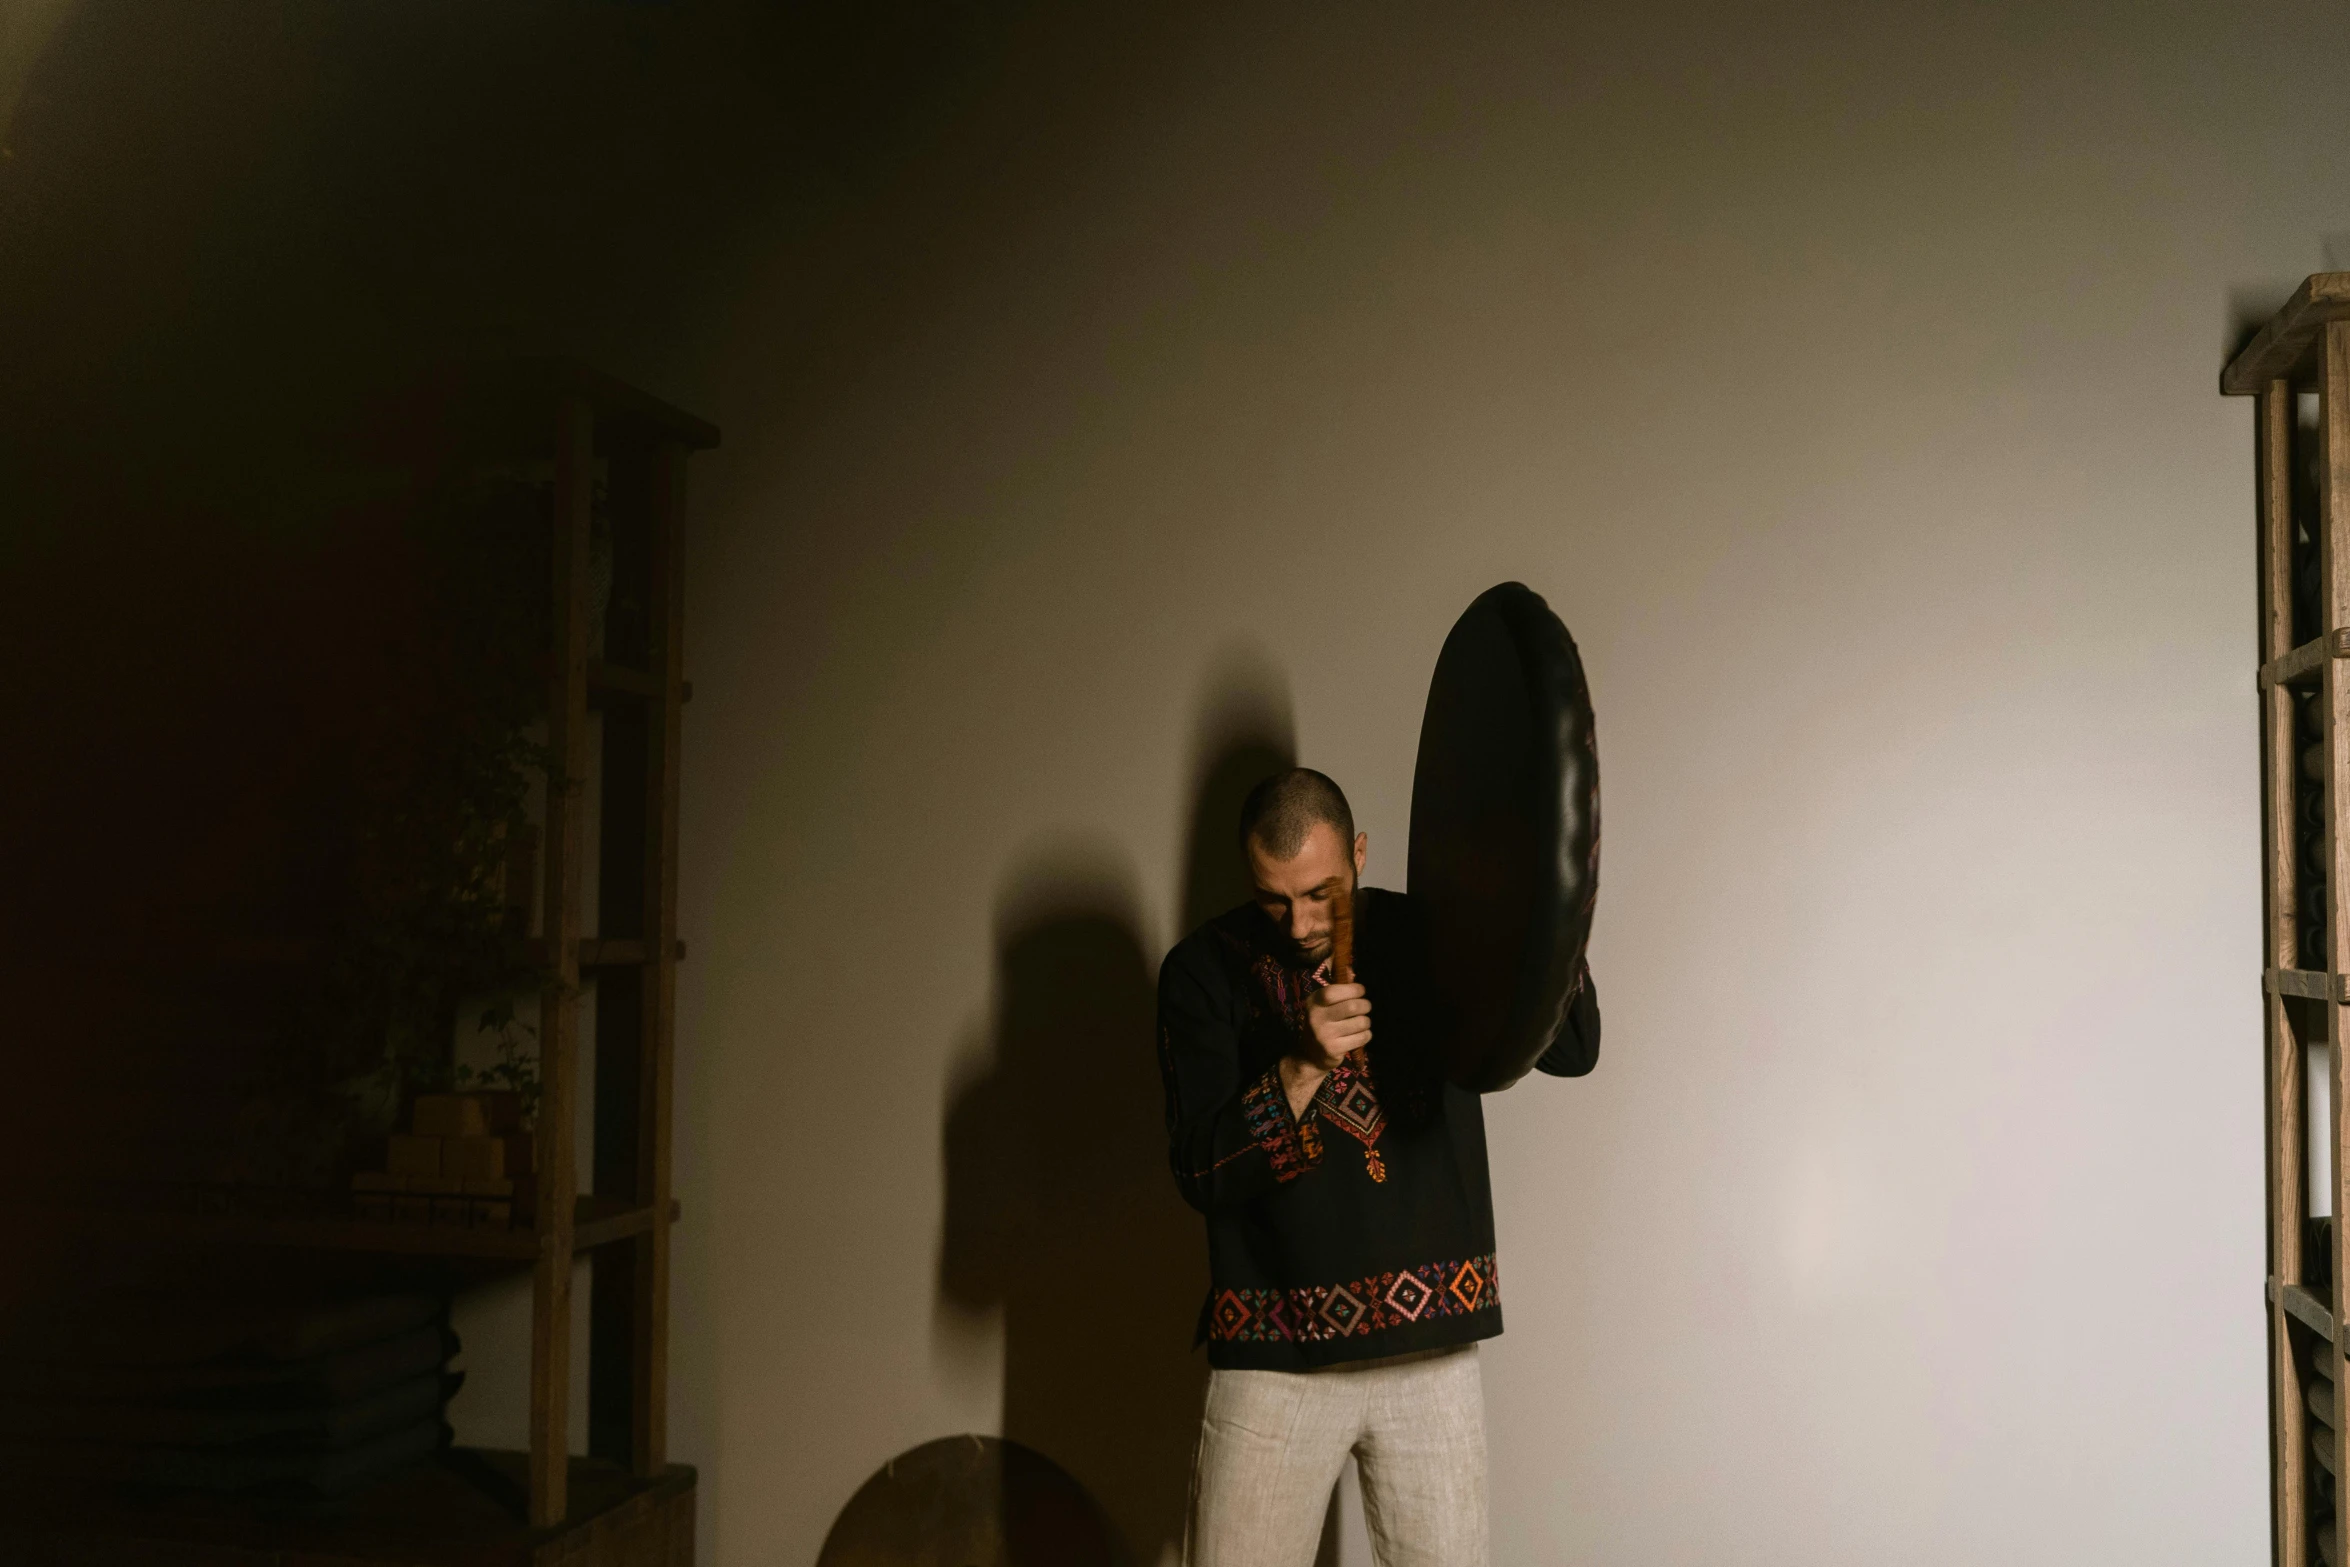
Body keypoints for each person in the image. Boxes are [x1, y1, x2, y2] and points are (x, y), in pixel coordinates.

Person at [1157, 767, 1598, 1567]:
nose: (1299, 924)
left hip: (1431, 1360)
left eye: (1322, 892)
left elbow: (1572, 1046)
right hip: (1273, 1363)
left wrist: (1525, 893)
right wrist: (1298, 1066)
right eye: (1274, 898)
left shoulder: (1431, 934)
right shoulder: (1199, 972)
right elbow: (1200, 1171)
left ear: (1359, 852)